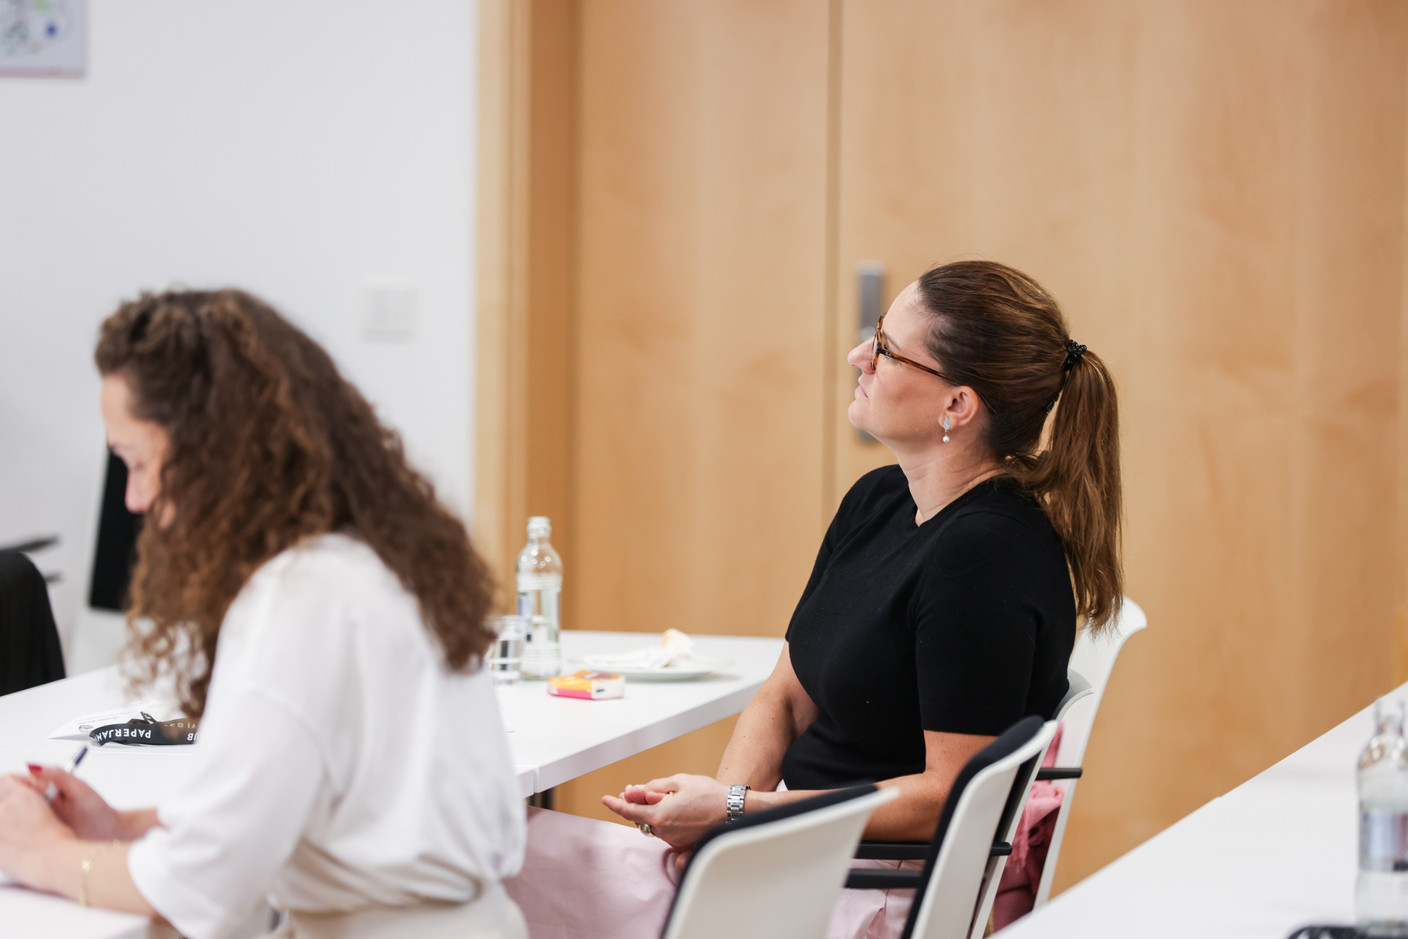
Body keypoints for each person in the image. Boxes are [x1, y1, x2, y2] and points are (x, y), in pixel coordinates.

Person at [505, 259, 1123, 938]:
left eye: (885, 349)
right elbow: (784, 696)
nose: (859, 355)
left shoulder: (984, 556)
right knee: (489, 842)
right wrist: (714, 833)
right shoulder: (880, 499)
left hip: (860, 890)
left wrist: (737, 812)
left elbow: (947, 794)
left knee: (486, 850)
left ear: (957, 405)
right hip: (785, 861)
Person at [0, 289, 527, 938]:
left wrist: (37, 852)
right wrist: (125, 828)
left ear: (214, 454)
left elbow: (205, 892)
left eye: (138, 465)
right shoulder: (383, 560)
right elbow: (300, 817)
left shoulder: (297, 600)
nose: (133, 499)